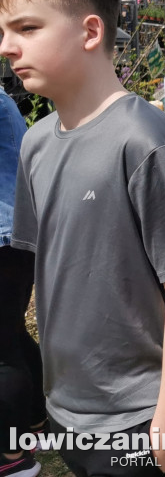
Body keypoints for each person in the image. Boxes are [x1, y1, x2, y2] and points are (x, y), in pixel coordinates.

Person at [0, 0, 165, 475]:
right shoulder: (35, 142)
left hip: (139, 411)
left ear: (91, 30)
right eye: (5, 31)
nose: (8, 47)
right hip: (71, 403)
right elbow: (52, 269)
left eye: (26, 28)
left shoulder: (145, 141)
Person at [0, 88, 45, 477]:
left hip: (4, 236)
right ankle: (36, 421)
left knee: (2, 349)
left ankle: (13, 460)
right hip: (15, 233)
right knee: (11, 335)